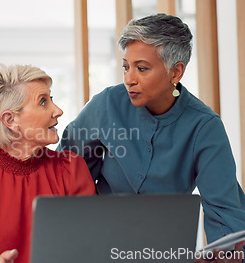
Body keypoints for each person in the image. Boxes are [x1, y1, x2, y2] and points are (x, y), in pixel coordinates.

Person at [57, 13, 245, 263]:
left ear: (175, 72)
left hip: (164, 253)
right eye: (126, 66)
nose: (128, 79)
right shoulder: (107, 105)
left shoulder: (204, 127)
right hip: (95, 246)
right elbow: (64, 171)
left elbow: (225, 215)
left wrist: (223, 257)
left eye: (141, 68)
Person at [0, 64, 96, 263]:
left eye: (51, 99)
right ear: (10, 120)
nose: (58, 111)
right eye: (43, 102)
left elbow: (88, 245)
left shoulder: (71, 168)